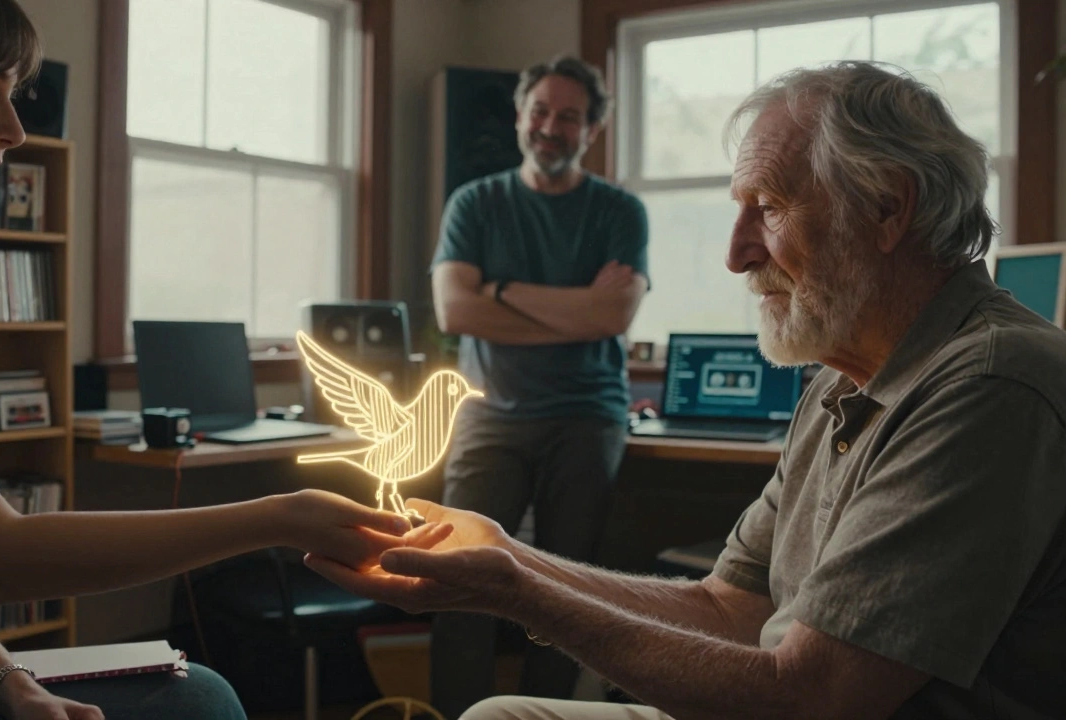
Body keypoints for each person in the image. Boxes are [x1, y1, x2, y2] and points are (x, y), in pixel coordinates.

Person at [311, 61, 1066, 720]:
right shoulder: (841, 378)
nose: (737, 255)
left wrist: (516, 592)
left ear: (888, 207)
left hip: (792, 707)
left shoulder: (991, 385)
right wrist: (511, 557)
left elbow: (812, 699)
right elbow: (727, 607)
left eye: (766, 208)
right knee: (497, 712)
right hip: (777, 696)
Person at [0, 1, 415, 719]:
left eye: (11, 93)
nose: (15, 129)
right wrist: (281, 516)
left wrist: (8, 683)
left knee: (196, 696)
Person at [427, 55, 649, 716]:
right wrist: (573, 308)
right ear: (522, 116)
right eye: (541, 112)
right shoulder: (474, 203)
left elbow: (613, 316)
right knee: (456, 575)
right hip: (488, 415)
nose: (551, 127)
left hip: (588, 417)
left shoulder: (619, 211)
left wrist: (500, 291)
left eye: (570, 117)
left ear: (592, 130)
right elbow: (454, 313)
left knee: (562, 587)